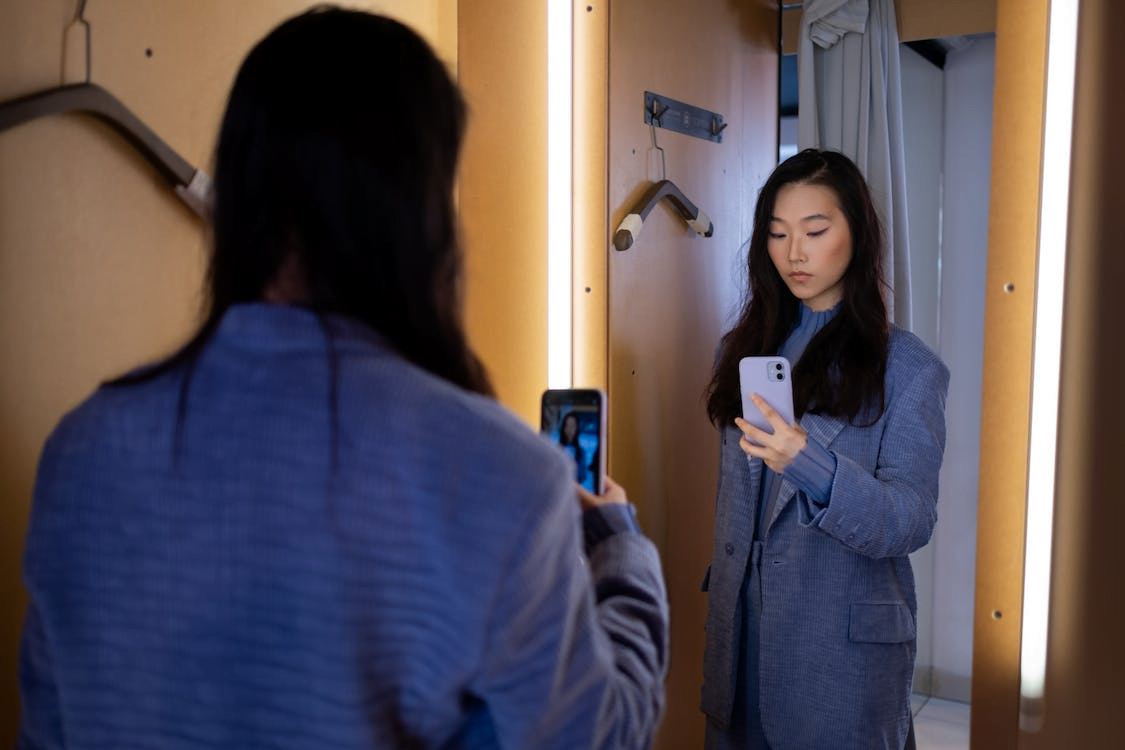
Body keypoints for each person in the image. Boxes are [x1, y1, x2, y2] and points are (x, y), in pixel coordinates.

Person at [18, 8, 668, 749]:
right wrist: (619, 553)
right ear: (421, 208)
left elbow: (49, 729)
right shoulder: (497, 475)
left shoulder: (84, 446)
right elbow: (595, 737)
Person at [700, 149, 949, 750]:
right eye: (777, 234)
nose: (795, 253)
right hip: (741, 638)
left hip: (838, 646)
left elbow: (910, 520)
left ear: (856, 236)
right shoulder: (747, 350)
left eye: (815, 231)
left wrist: (808, 465)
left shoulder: (907, 366)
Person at [558, 411, 591, 487]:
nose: (570, 429)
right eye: (567, 426)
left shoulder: (581, 452)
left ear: (576, 428)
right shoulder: (556, 450)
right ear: (564, 428)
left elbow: (582, 476)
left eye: (572, 426)